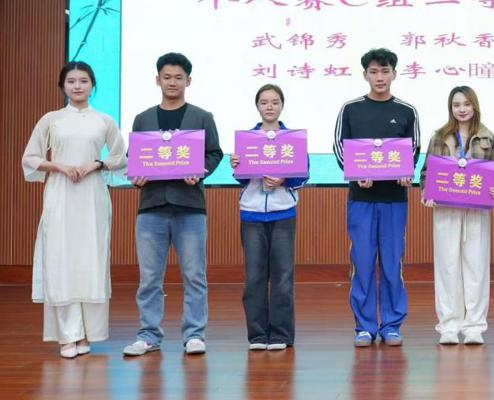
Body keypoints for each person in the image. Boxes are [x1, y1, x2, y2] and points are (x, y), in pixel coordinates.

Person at [21, 61, 127, 359]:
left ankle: (88, 333)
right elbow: (30, 158)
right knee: (61, 259)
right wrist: (60, 166)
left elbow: (120, 157)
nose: (77, 86)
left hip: (93, 196)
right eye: (71, 81)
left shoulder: (104, 121)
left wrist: (97, 164)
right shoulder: (51, 120)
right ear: (62, 86)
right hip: (60, 193)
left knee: (90, 259)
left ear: (93, 85)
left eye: (83, 81)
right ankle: (67, 335)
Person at [122, 52, 223, 357]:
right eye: (167, 77)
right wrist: (135, 175)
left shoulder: (202, 117)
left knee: (194, 275)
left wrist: (201, 171)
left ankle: (194, 334)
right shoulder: (143, 118)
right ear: (157, 80)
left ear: (188, 81)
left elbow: (214, 153)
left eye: (179, 77)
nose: (172, 82)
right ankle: (148, 335)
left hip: (190, 206)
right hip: (151, 206)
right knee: (149, 277)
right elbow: (134, 158)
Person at [333, 48, 421, 347]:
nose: (380, 77)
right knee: (363, 261)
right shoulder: (351, 109)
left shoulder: (406, 111)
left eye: (385, 71)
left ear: (394, 73)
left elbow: (414, 149)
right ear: (365, 75)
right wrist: (355, 172)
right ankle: (365, 325)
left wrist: (407, 171)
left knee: (393, 262)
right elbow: (340, 148)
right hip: (362, 199)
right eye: (374, 71)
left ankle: (392, 324)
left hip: (395, 199)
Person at [230, 84, 309, 351]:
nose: (270, 107)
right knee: (254, 277)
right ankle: (257, 335)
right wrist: (237, 165)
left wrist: (285, 179)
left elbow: (303, 174)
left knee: (283, 277)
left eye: (275, 102)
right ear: (258, 106)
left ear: (281, 106)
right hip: (252, 214)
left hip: (283, 213)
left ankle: (281, 335)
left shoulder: (293, 139)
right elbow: (240, 178)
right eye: (264, 102)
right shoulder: (247, 139)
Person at [419, 86, 494, 345]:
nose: (461, 109)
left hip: (477, 209)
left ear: (474, 105)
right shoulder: (439, 137)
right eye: (456, 105)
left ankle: (475, 326)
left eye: (466, 104)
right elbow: (426, 171)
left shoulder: (488, 138)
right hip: (446, 208)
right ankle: (449, 326)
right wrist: (426, 191)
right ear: (450, 108)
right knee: (447, 266)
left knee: (476, 266)